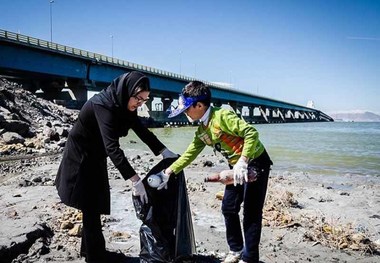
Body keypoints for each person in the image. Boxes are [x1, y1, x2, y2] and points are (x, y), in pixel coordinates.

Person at [55, 71, 177, 263]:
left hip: (96, 155)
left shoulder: (125, 104)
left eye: (145, 100)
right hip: (81, 156)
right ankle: (96, 257)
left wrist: (164, 151)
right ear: (127, 91)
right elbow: (112, 146)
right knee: (90, 204)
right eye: (138, 98)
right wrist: (135, 180)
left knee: (95, 202)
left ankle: (91, 252)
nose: (140, 103)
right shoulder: (102, 104)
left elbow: (141, 130)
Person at [155, 81, 272, 263]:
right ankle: (236, 250)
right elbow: (190, 153)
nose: (185, 113)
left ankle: (249, 258)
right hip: (236, 166)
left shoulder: (222, 116)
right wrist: (168, 172)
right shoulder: (203, 129)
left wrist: (243, 160)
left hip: (256, 162)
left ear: (199, 105)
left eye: (187, 109)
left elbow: (251, 133)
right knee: (228, 207)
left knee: (251, 213)